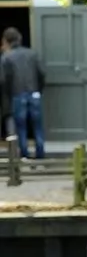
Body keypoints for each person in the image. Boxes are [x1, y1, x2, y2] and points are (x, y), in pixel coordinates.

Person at [1, 27, 45, 160]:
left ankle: (24, 154)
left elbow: (3, 79)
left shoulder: (6, 57)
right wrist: (38, 90)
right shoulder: (32, 54)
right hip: (34, 93)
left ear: (6, 41)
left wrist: (6, 98)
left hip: (17, 94)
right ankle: (40, 154)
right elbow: (42, 74)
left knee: (21, 127)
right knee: (37, 125)